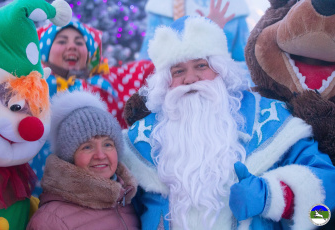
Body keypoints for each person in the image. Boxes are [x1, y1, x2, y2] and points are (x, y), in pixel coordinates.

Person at [120, 15, 335, 229]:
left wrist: (273, 195)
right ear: (165, 82)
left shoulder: (270, 120)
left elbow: (325, 209)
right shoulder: (139, 142)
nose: (190, 79)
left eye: (201, 66)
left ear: (221, 70)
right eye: (178, 71)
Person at [30, 20, 155, 196]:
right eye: (62, 41)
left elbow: (149, 69)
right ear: (44, 47)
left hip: (87, 194)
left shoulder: (103, 84)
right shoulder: (30, 82)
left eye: (79, 42)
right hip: (30, 189)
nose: (72, 46)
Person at [27, 90, 139, 230]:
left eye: (107, 144)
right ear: (69, 158)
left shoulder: (129, 200)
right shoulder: (51, 222)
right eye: (87, 147)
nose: (100, 155)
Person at [138, 0, 249, 63]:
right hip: (173, 88)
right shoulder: (161, 6)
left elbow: (244, 60)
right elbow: (148, 58)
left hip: (221, 90)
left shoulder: (235, 6)